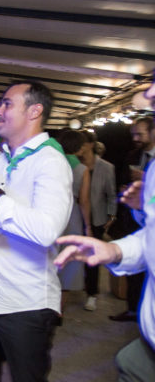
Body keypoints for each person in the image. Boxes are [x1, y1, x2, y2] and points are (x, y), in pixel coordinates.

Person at [0, 80, 73, 381]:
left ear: (35, 111)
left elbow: (46, 230)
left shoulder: (51, 162)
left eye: (7, 103)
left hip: (26, 304)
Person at [54, 67, 155, 382]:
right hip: (148, 344)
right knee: (129, 361)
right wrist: (114, 250)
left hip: (92, 217)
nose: (144, 95)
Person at [108, 117, 154, 322]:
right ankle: (133, 310)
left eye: (140, 134)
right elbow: (124, 181)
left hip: (148, 218)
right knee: (135, 274)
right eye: (133, 134)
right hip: (134, 218)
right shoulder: (131, 155)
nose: (135, 138)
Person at [79, 130, 117, 312]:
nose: (78, 146)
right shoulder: (74, 165)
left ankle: (92, 294)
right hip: (75, 216)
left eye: (82, 143)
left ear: (90, 145)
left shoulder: (106, 167)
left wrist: (112, 216)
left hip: (98, 218)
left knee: (93, 257)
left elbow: (111, 195)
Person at [56, 130, 92, 304]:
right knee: (68, 261)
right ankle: (60, 309)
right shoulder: (82, 169)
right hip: (73, 216)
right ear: (79, 147)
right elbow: (84, 201)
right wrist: (88, 226)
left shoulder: (54, 163)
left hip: (53, 211)